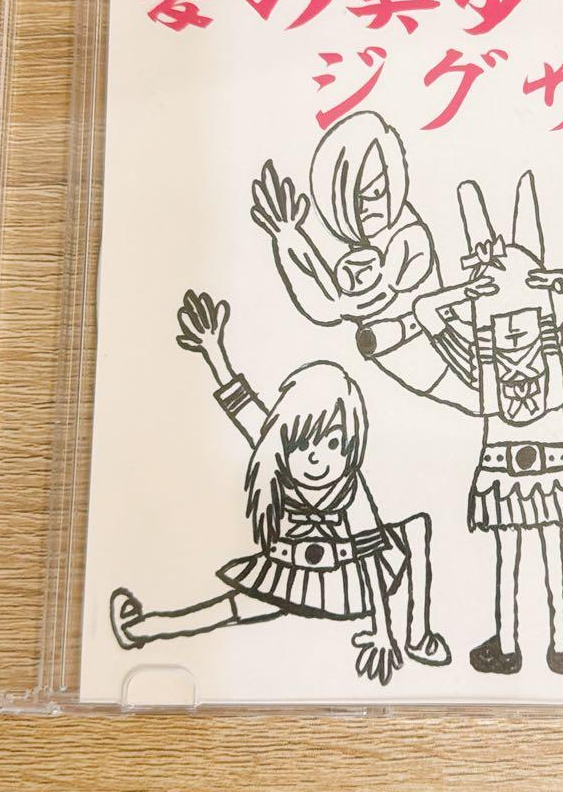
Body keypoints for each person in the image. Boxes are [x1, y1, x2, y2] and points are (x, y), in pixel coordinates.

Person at [108, 290, 449, 686]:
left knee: (416, 529)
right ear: (285, 440)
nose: (319, 458)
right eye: (304, 444)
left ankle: (418, 637)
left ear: (351, 444)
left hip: (345, 578)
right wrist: (213, 350)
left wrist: (384, 631)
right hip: (287, 572)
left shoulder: (350, 486)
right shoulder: (274, 450)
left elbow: (371, 556)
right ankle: (140, 629)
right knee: (226, 610)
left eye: (334, 443)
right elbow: (240, 403)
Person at [412, 172, 563, 675]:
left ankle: (549, 642)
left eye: (524, 318)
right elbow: (424, 310)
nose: (515, 331)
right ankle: (519, 643)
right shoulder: (496, 362)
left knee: (540, 551)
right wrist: (469, 290)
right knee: (518, 554)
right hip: (520, 467)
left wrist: (557, 283)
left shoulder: (540, 356)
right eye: (504, 319)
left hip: (530, 467)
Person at [250, 110, 449, 398]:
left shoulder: (408, 236)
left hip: (441, 356)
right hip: (416, 367)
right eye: (354, 200)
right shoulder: (360, 244)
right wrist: (288, 239)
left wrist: (297, 247)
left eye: (376, 191)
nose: (366, 206)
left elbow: (346, 303)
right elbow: (327, 306)